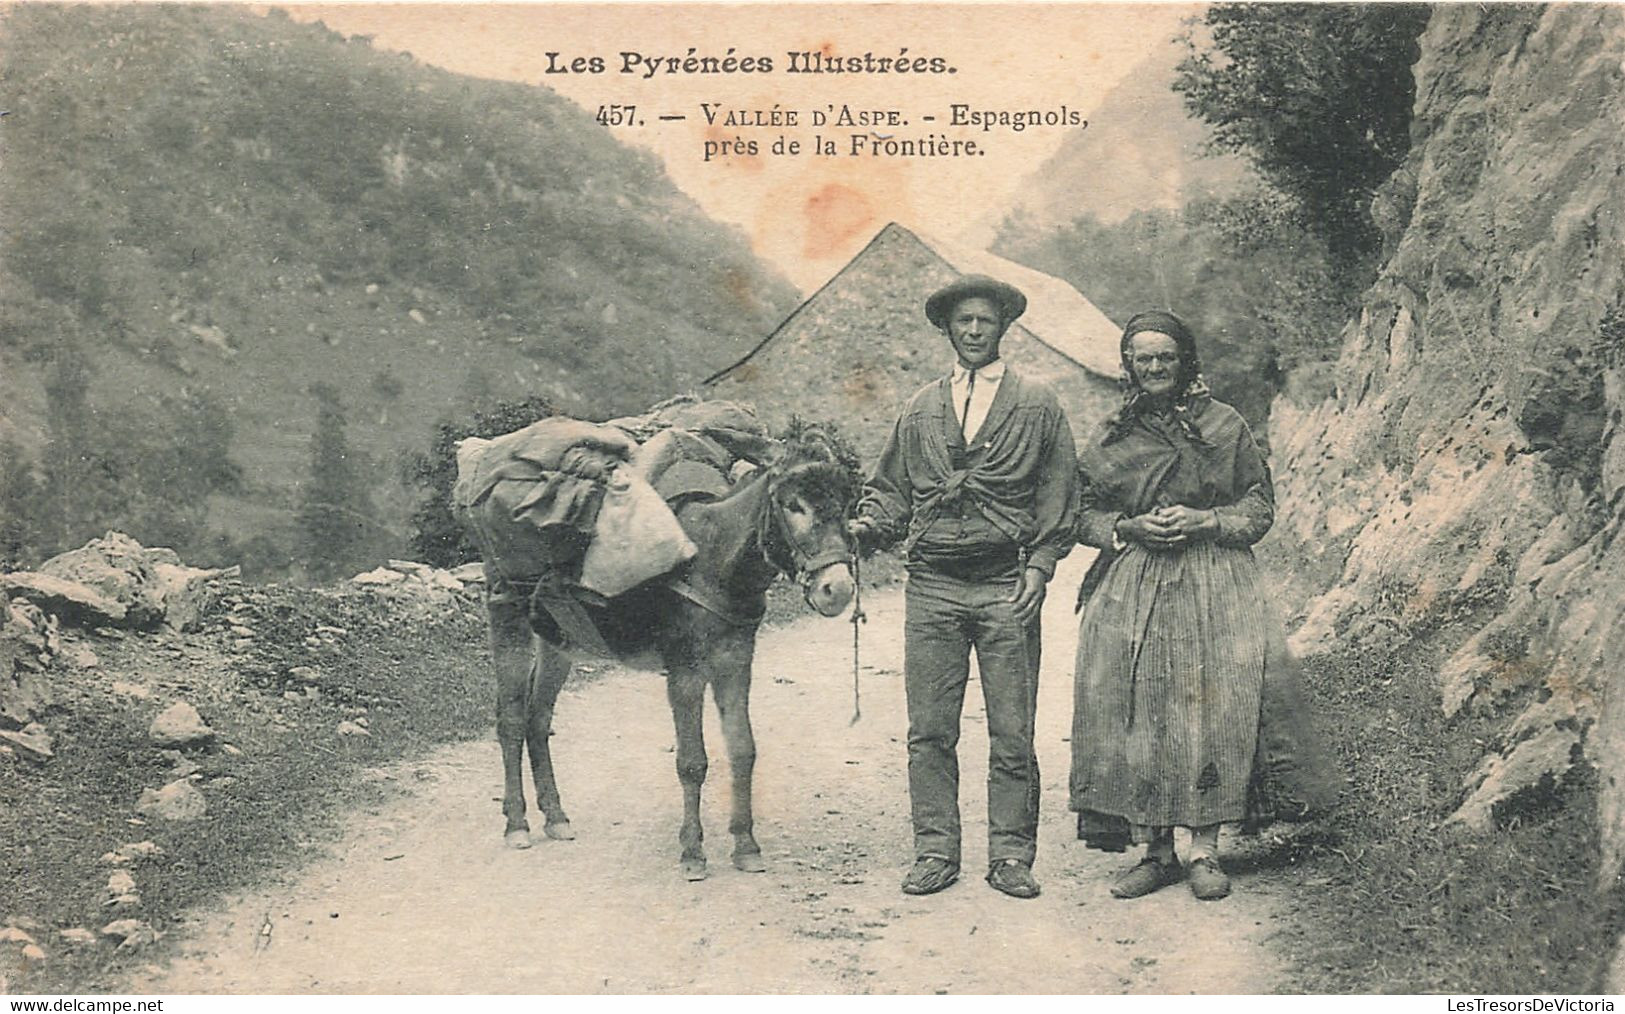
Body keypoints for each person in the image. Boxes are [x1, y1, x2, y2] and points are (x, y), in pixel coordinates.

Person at [850, 274, 1078, 900]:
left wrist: (1039, 568)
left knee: (1012, 729)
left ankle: (1010, 856)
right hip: (932, 588)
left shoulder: (1038, 404)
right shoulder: (920, 406)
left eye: (985, 321)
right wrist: (867, 525)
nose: (974, 331)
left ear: (1004, 327)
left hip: (1008, 584)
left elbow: (1060, 496)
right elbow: (891, 490)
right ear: (947, 329)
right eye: (963, 322)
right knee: (929, 729)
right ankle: (935, 851)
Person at [1068, 310, 1276, 902]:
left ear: (1185, 362)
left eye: (1166, 357)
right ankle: (1156, 851)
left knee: (1213, 705)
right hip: (1133, 581)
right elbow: (1080, 511)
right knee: (1140, 708)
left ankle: (1206, 849)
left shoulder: (1224, 424)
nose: (1155, 367)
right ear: (1128, 365)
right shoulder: (1113, 432)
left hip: (1215, 578)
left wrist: (1207, 519)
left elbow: (1260, 507)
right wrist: (1129, 526)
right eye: (1143, 358)